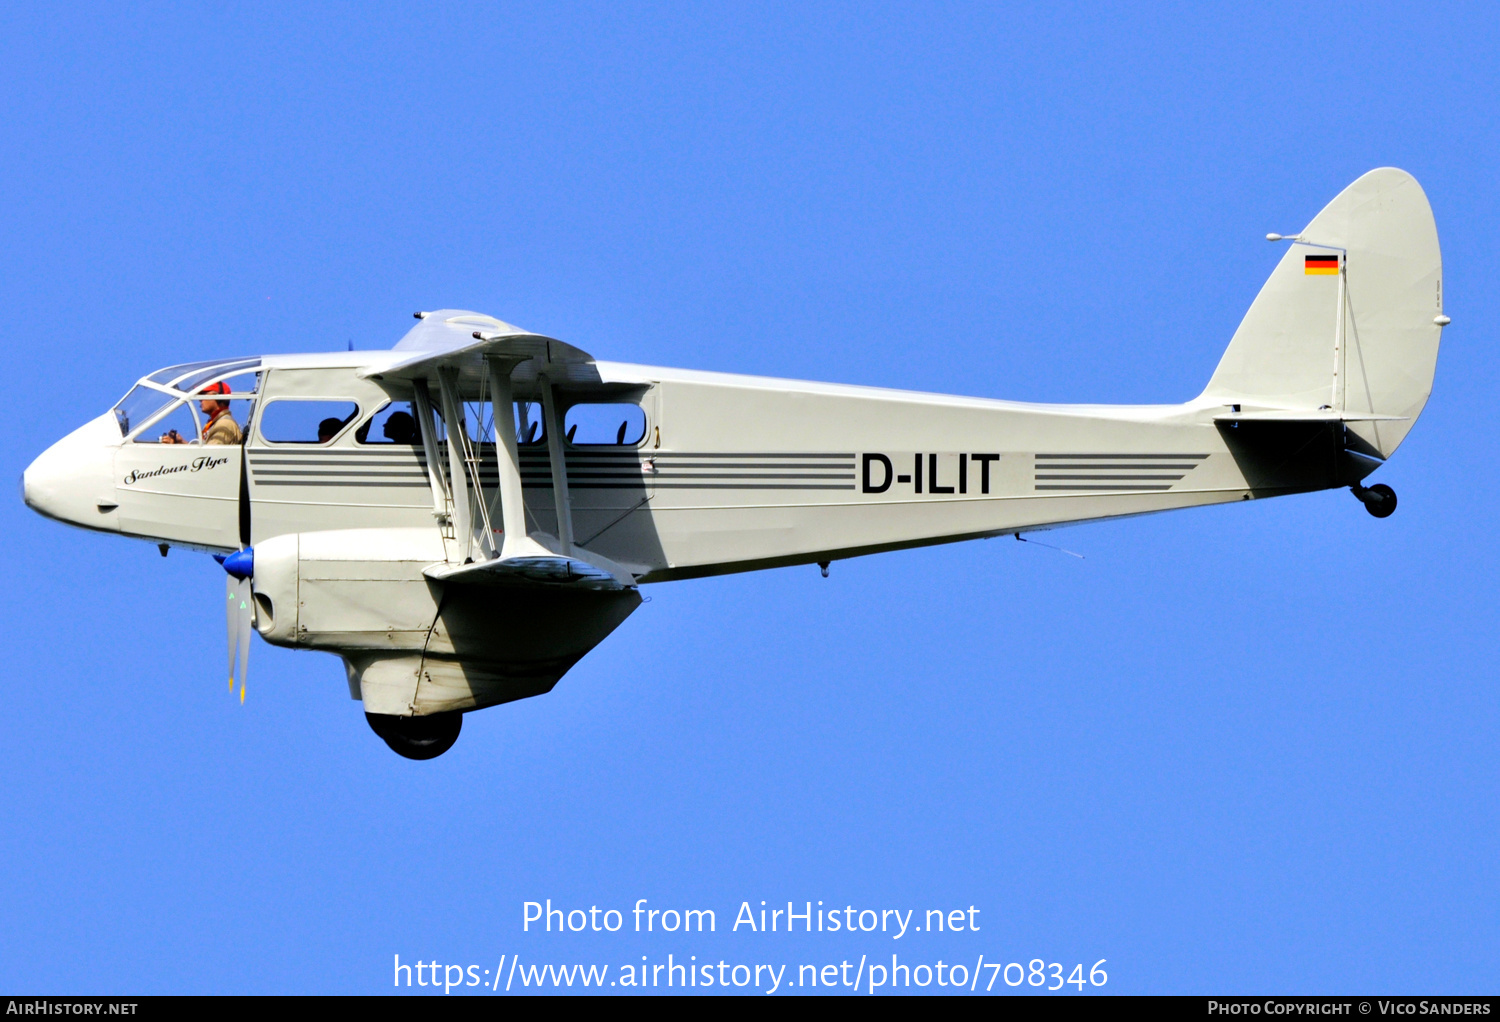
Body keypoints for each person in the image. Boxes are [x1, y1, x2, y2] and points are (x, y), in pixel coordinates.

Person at [162, 381, 241, 445]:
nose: (200, 399)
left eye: (203, 394)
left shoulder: (224, 424)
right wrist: (181, 442)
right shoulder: (215, 422)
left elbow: (209, 457)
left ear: (218, 397)